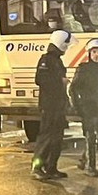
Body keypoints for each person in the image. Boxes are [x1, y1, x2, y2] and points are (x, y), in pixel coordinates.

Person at [32, 29, 71, 180]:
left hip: (58, 105)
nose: (67, 47)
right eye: (66, 44)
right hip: (49, 106)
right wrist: (60, 82)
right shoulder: (46, 59)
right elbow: (40, 79)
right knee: (46, 137)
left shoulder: (56, 60)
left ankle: (51, 167)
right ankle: (36, 167)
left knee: (57, 138)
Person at [70, 38, 98, 176]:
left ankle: (84, 159)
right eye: (94, 52)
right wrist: (76, 105)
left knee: (97, 137)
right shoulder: (83, 68)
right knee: (91, 135)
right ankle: (91, 167)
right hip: (88, 107)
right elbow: (73, 88)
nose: (96, 55)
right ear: (89, 53)